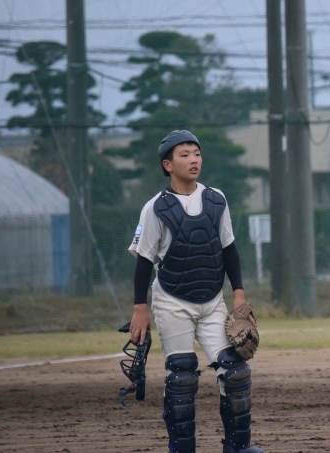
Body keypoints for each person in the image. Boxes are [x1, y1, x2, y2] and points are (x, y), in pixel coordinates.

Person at [128, 130, 263, 453]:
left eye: (197, 153)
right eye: (185, 154)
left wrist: (239, 295)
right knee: (182, 376)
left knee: (236, 372)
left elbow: (229, 250)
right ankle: (182, 449)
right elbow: (144, 262)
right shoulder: (156, 208)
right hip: (172, 302)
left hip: (213, 301)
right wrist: (139, 309)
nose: (193, 160)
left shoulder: (216, 199)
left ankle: (238, 447)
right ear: (168, 165)